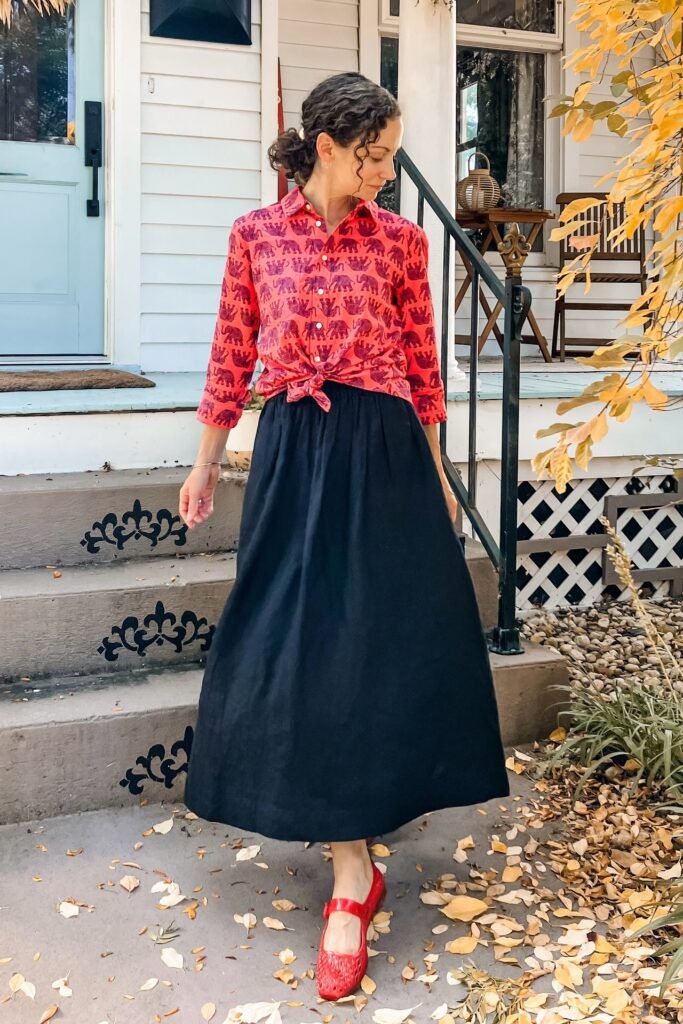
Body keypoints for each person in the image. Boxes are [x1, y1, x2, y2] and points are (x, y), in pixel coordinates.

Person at [179, 72, 510, 1002]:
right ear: (326, 146)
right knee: (301, 643)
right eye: (374, 156)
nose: (385, 173)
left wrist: (441, 474)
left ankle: (355, 860)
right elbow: (229, 354)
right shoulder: (255, 235)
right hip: (293, 450)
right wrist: (205, 464)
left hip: (386, 454)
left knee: (379, 643)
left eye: (392, 157)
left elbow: (421, 365)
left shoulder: (401, 241)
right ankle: (349, 864)